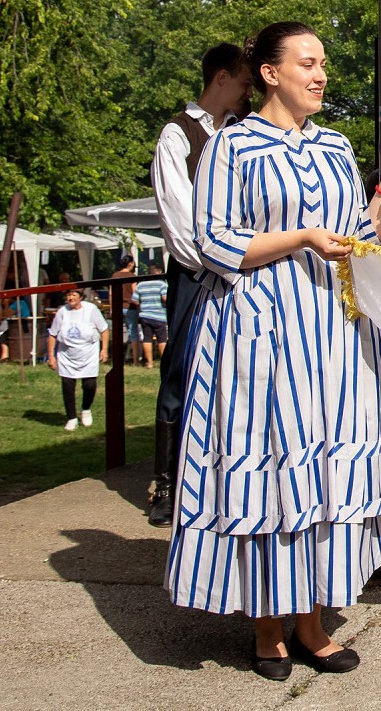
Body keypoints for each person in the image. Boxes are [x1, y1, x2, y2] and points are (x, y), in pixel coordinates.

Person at [165, 21, 381, 681]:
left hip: (331, 334)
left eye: (323, 63)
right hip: (261, 332)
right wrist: (299, 236)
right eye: (307, 63)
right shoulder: (232, 145)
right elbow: (213, 240)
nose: (321, 75)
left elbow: (355, 235)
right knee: (273, 469)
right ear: (270, 73)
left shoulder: (334, 146)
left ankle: (312, 623)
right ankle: (267, 630)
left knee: (321, 472)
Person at [146, 42, 253, 526]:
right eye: (245, 82)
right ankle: (167, 484)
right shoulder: (178, 135)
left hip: (242, 267)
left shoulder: (242, 131)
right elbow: (178, 218)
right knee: (183, 369)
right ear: (222, 79)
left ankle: (215, 480)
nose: (249, 91)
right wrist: (217, 264)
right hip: (197, 271)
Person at [47, 289, 109, 432]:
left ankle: (86, 409)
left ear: (80, 297)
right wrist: (51, 356)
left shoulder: (91, 309)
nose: (71, 298)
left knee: (89, 385)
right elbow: (53, 334)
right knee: (67, 386)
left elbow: (104, 329)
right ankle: (71, 418)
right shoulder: (62, 312)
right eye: (68, 295)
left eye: (74, 295)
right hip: (67, 355)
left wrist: (104, 349)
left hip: (88, 354)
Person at [130, 274, 168, 368]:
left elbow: (134, 299)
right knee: (162, 339)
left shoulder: (141, 285)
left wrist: (142, 303)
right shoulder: (162, 284)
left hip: (145, 315)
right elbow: (165, 297)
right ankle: (165, 362)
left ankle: (150, 363)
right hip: (159, 316)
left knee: (147, 339)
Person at [110, 255, 140, 364]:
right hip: (130, 307)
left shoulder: (114, 275)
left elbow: (111, 293)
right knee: (133, 333)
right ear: (130, 264)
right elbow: (135, 293)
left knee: (117, 334)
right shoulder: (132, 276)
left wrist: (111, 308)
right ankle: (135, 360)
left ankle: (117, 359)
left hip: (117, 307)